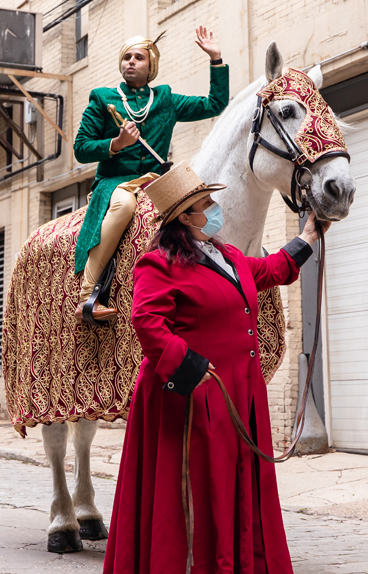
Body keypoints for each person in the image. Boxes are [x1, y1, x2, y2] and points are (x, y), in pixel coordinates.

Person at [103, 162, 329, 574]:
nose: (215, 207)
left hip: (240, 394)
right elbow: (146, 321)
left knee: (236, 484)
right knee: (200, 489)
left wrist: (309, 235)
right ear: (184, 217)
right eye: (206, 203)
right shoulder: (159, 264)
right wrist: (189, 369)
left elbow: (270, 270)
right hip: (196, 397)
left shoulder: (228, 256)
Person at [72, 28, 229, 322]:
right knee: (124, 206)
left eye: (139, 57)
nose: (131, 62)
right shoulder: (102, 98)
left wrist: (216, 59)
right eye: (126, 57)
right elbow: (81, 149)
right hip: (116, 181)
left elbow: (214, 104)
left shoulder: (165, 99)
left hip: (157, 180)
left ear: (151, 66)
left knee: (204, 208)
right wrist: (116, 144)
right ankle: (87, 297)